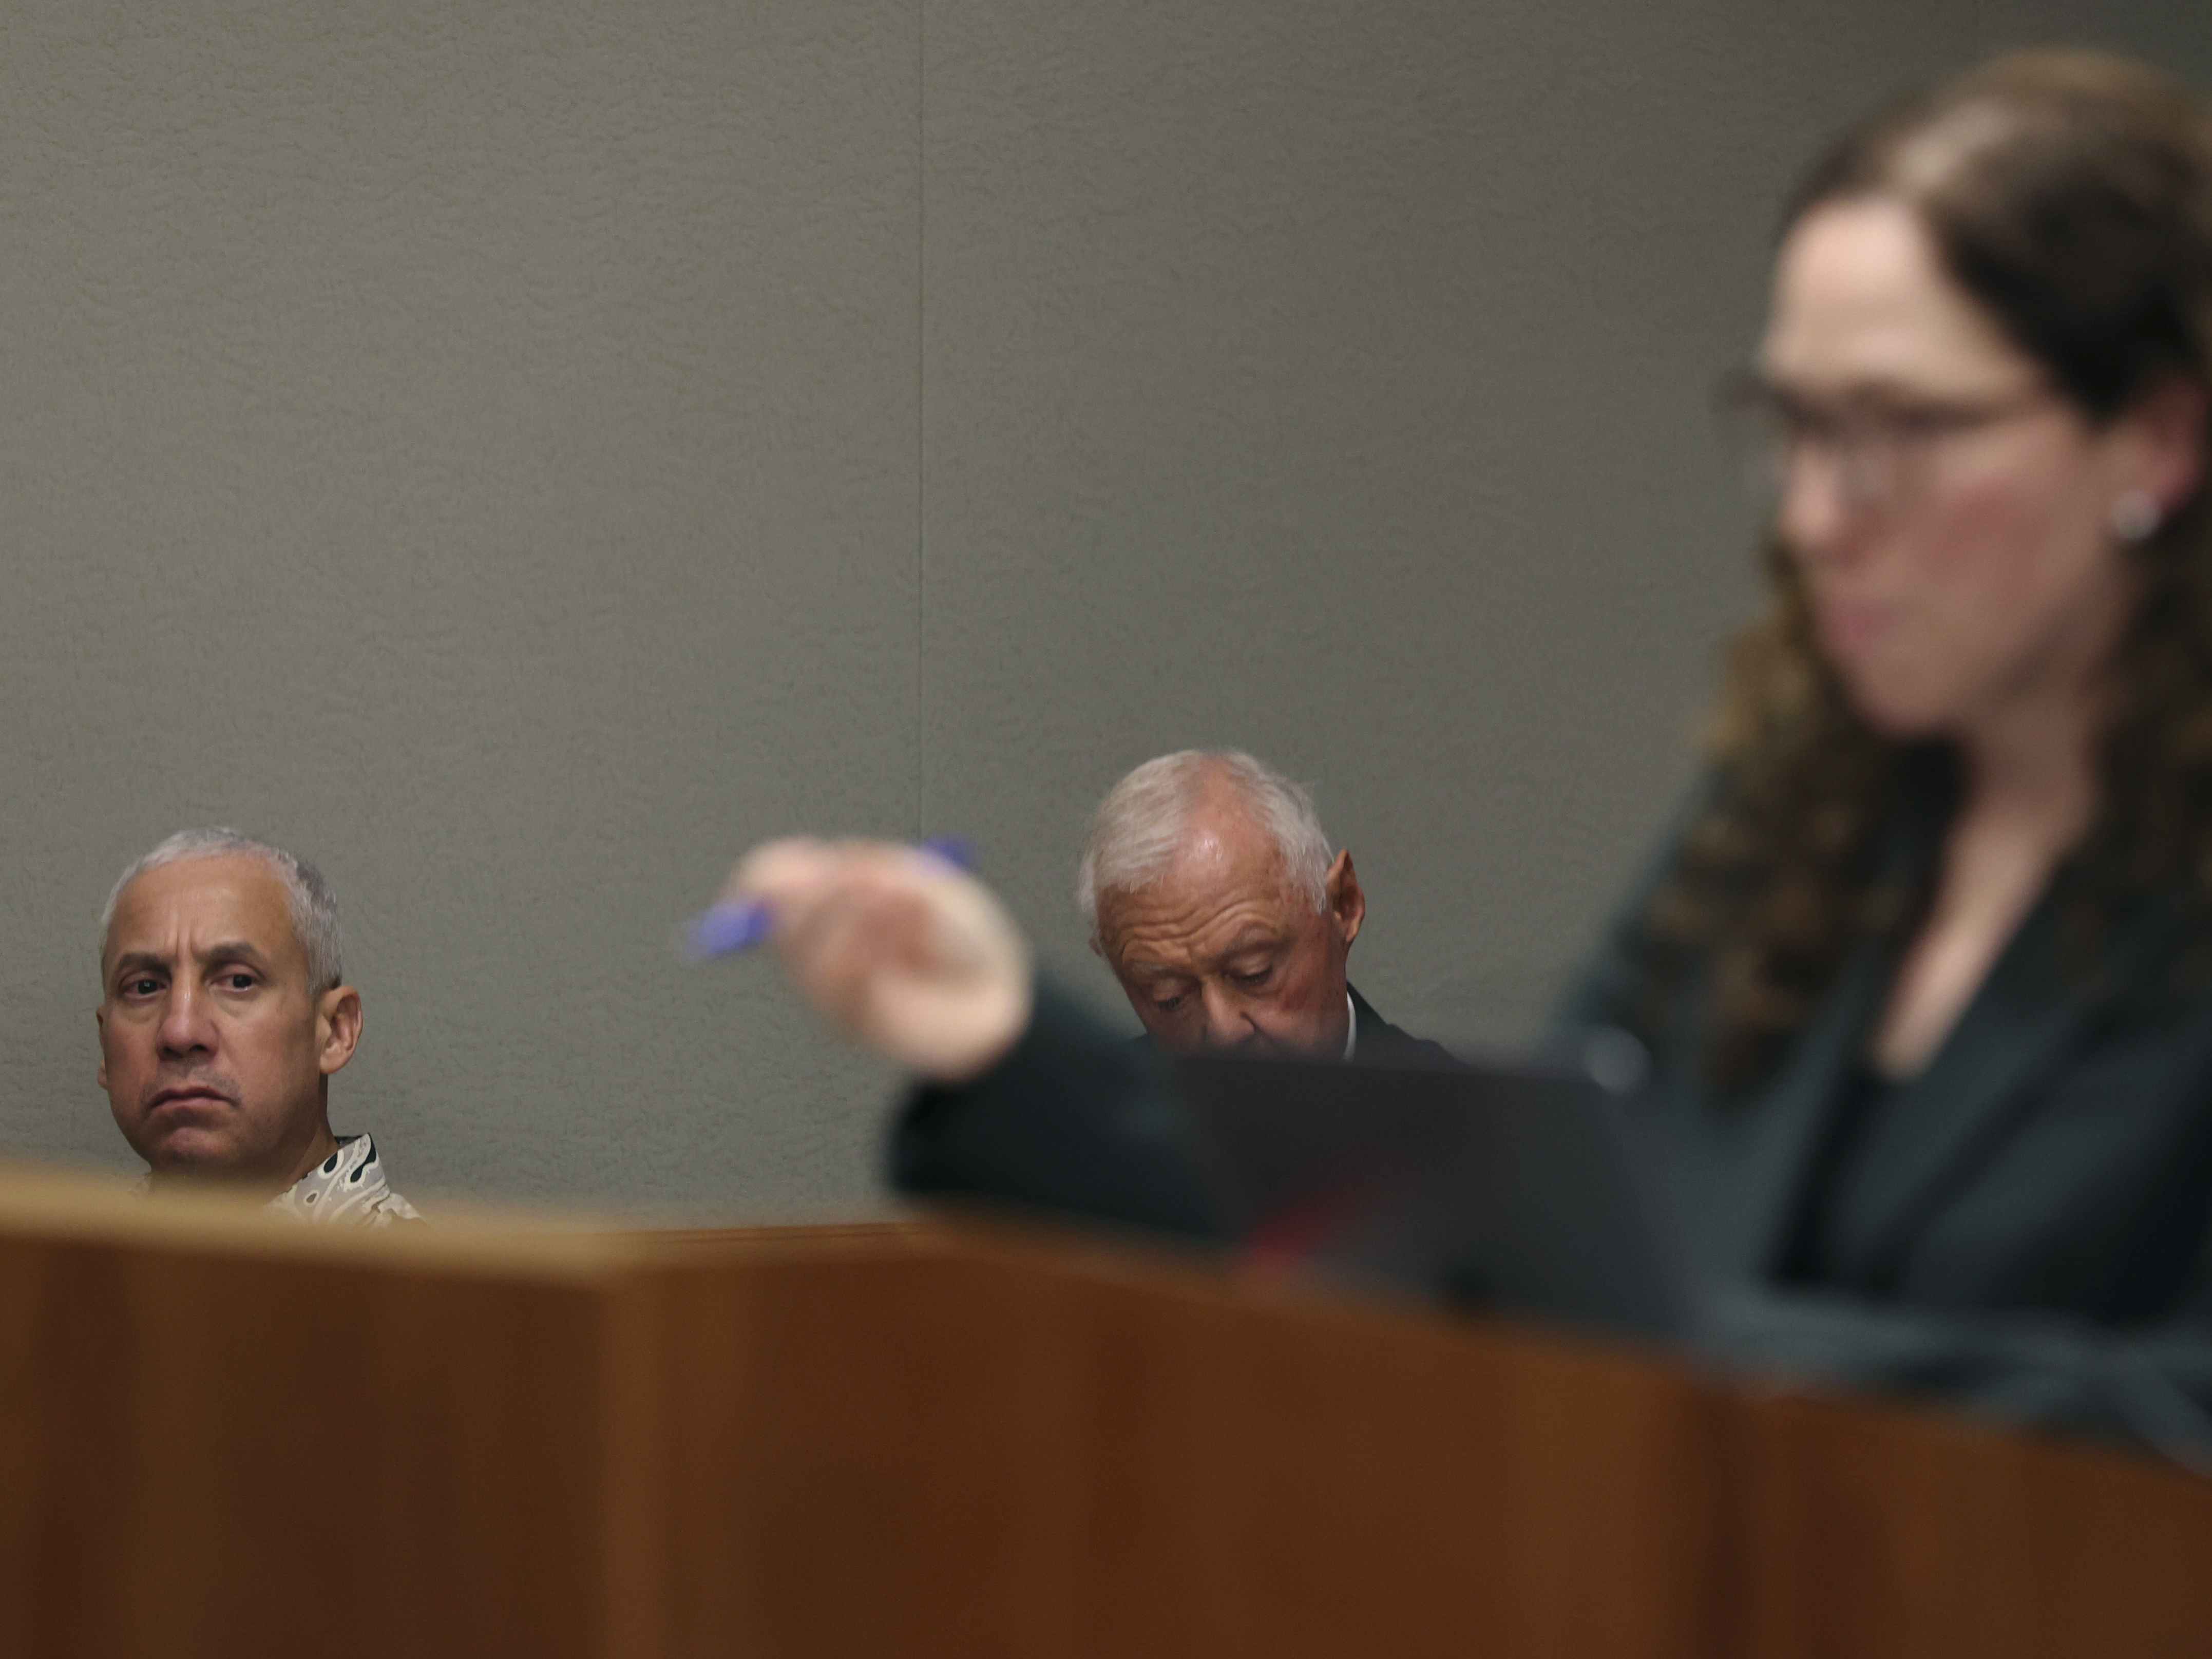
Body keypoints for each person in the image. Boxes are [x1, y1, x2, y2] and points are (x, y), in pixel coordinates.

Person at [718, 50, 2212, 1463]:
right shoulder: (1789, 831)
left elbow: (2163, 1425)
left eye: (1897, 427)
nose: (1817, 515)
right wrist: (1000, 1039)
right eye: (1794, 428)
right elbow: (1462, 1244)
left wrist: (1663, 1345)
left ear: (2150, 441)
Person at [98, 827, 420, 1225]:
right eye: (145, 987)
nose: (179, 1032)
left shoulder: (413, 1283)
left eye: (239, 981)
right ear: (104, 1047)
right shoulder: (58, 1272)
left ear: (335, 1031)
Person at [1079, 750, 1450, 1063]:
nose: (1225, 1034)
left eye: (1254, 974)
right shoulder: (1083, 1137)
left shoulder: (1468, 1131)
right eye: (1171, 998)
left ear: (1343, 905)